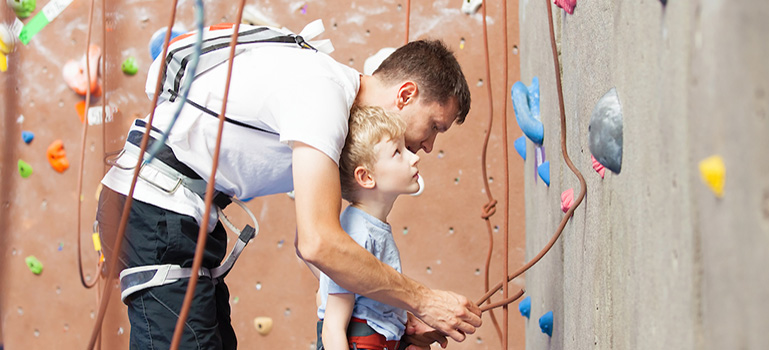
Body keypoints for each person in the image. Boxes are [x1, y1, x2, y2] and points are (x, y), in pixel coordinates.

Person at [95, 21, 481, 350]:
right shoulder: (322, 96)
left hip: (173, 214)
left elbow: (316, 249)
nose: (428, 146)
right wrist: (424, 301)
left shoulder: (333, 109)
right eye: (434, 126)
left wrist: (389, 316)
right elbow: (319, 243)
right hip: (156, 209)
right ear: (406, 94)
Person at [313, 106, 422, 350]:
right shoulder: (358, 233)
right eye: (397, 152)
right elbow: (332, 329)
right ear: (366, 177)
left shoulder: (370, 228)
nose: (414, 157)